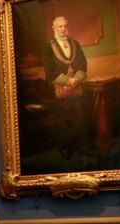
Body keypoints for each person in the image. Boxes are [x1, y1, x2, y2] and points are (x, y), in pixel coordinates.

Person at [42, 16, 90, 158]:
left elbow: (83, 63)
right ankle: (65, 148)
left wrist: (77, 79)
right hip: (59, 89)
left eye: (65, 26)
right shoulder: (48, 47)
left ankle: (83, 146)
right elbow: (49, 69)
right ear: (54, 29)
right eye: (59, 26)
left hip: (77, 87)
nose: (63, 29)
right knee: (63, 119)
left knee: (80, 117)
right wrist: (68, 81)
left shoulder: (75, 43)